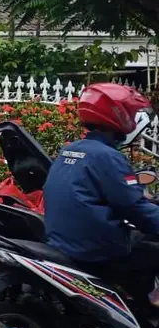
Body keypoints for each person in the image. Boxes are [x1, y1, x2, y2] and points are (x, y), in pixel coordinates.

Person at [43, 82, 159, 309]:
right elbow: (135, 208)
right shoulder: (107, 157)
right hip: (96, 247)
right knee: (151, 252)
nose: (134, 119)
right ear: (118, 115)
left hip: (67, 242)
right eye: (132, 113)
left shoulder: (71, 149)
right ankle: (145, 316)